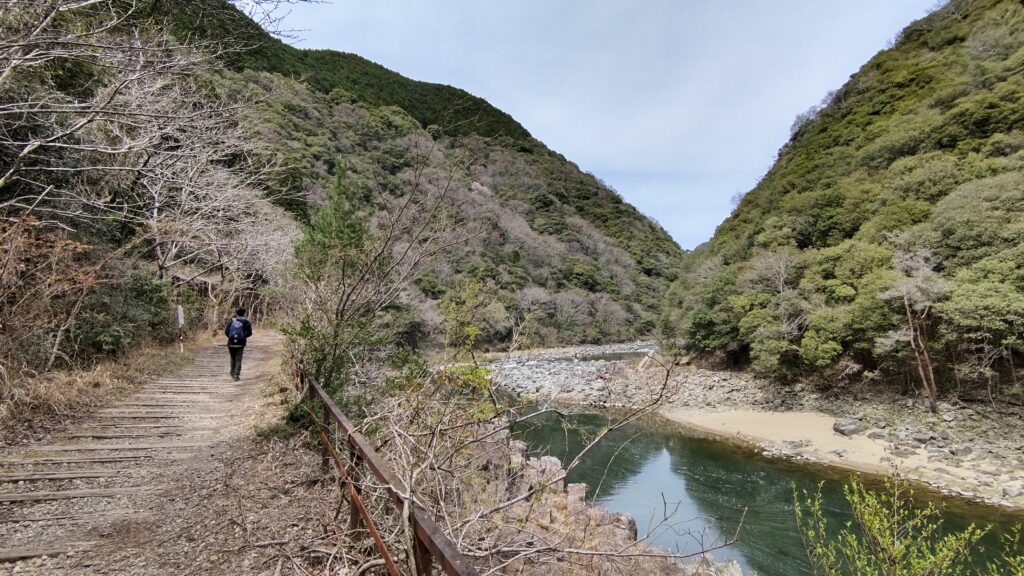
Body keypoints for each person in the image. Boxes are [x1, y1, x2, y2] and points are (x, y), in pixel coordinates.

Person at [224, 307, 253, 381]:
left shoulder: (231, 321)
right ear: (244, 313)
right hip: (241, 343)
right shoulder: (246, 322)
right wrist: (243, 337)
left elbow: (226, 332)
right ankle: (236, 375)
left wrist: (231, 338)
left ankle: (232, 373)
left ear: (236, 313)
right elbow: (249, 333)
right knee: (238, 359)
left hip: (230, 342)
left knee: (232, 357)